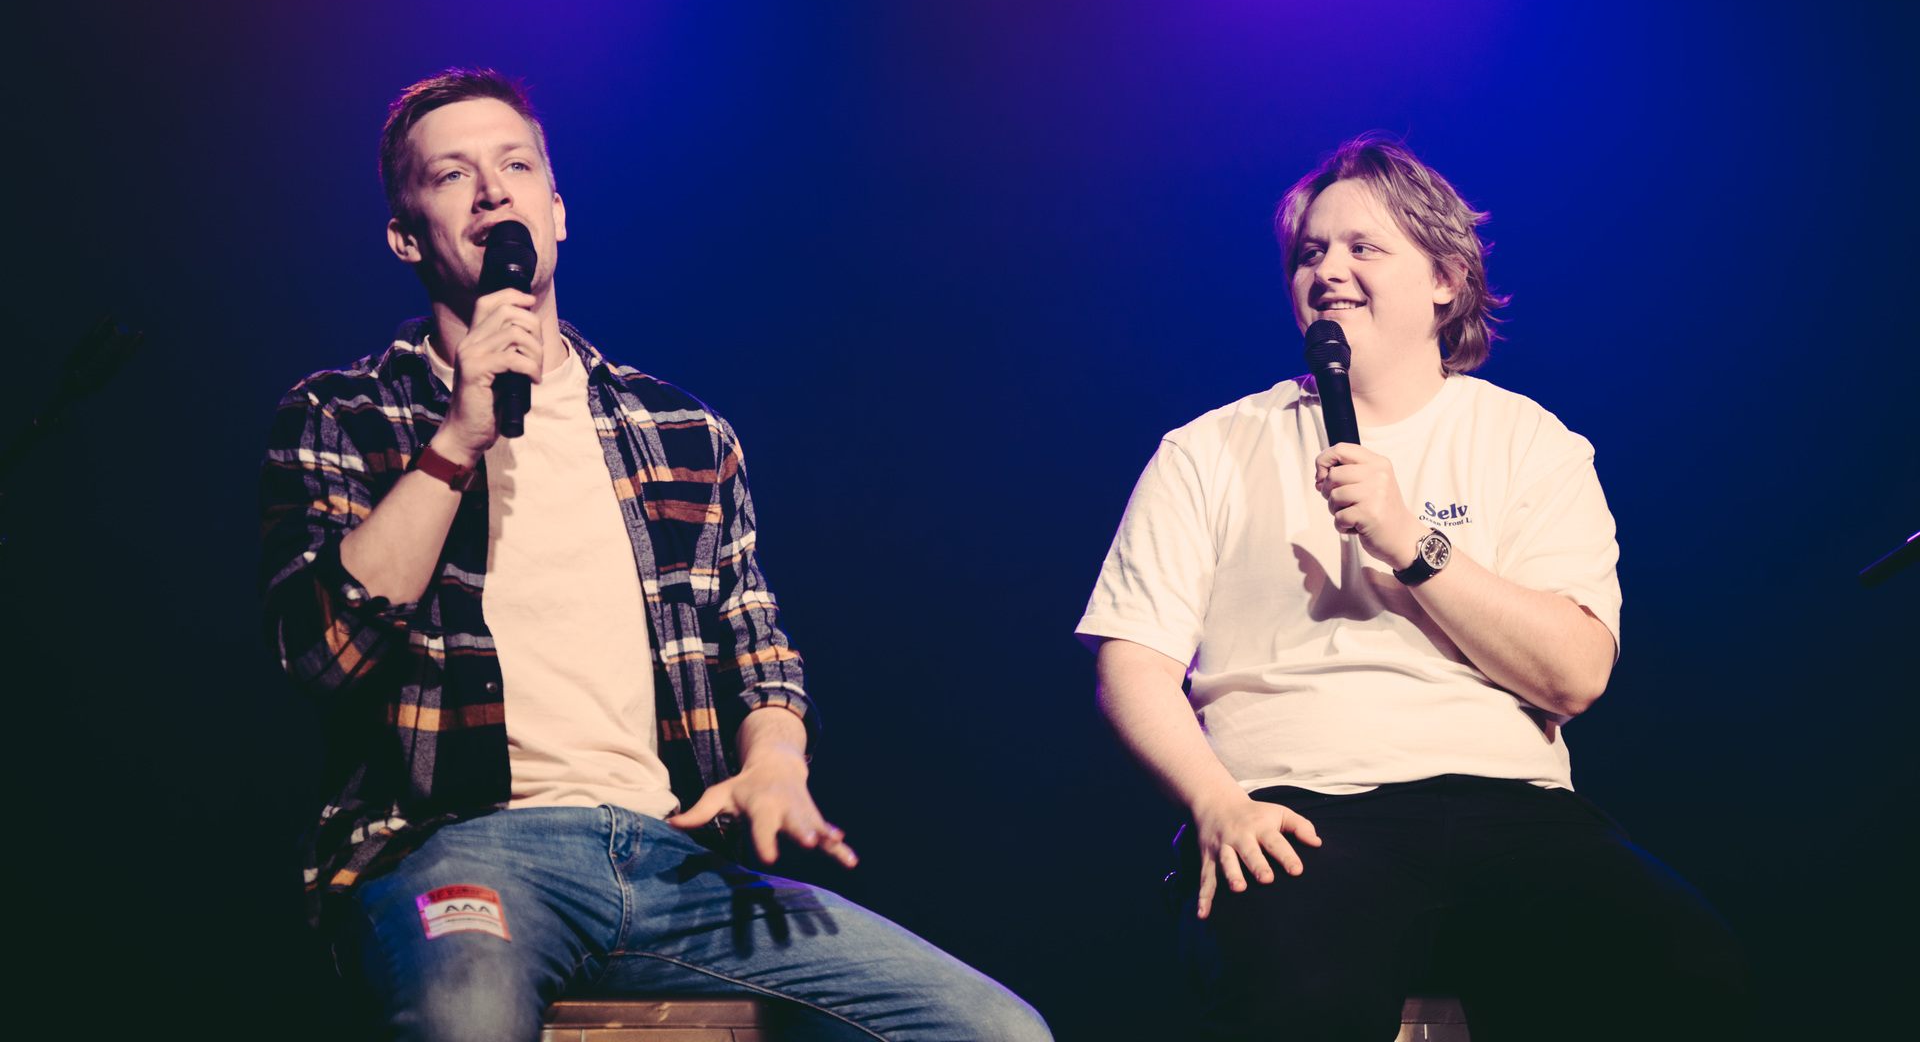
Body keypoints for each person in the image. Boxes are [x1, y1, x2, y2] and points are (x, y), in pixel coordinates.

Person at [262, 67, 1050, 1042]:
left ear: (557, 210)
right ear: (406, 234)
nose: (494, 190)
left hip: (673, 855)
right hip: (461, 853)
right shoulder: (346, 412)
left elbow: (760, 649)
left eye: (516, 165)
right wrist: (455, 439)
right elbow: (322, 652)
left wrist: (776, 759)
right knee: (463, 1016)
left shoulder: (682, 430)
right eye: (453, 174)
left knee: (995, 1028)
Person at [1076, 135, 1745, 1041]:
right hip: (1298, 807)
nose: (1329, 270)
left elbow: (1576, 674)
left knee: (1691, 973)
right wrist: (1216, 802)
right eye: (1309, 253)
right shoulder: (1209, 449)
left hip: (1513, 808)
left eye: (1363, 248)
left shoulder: (1530, 442)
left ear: (1446, 278)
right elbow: (1134, 663)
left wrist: (1413, 545)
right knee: (1299, 1000)